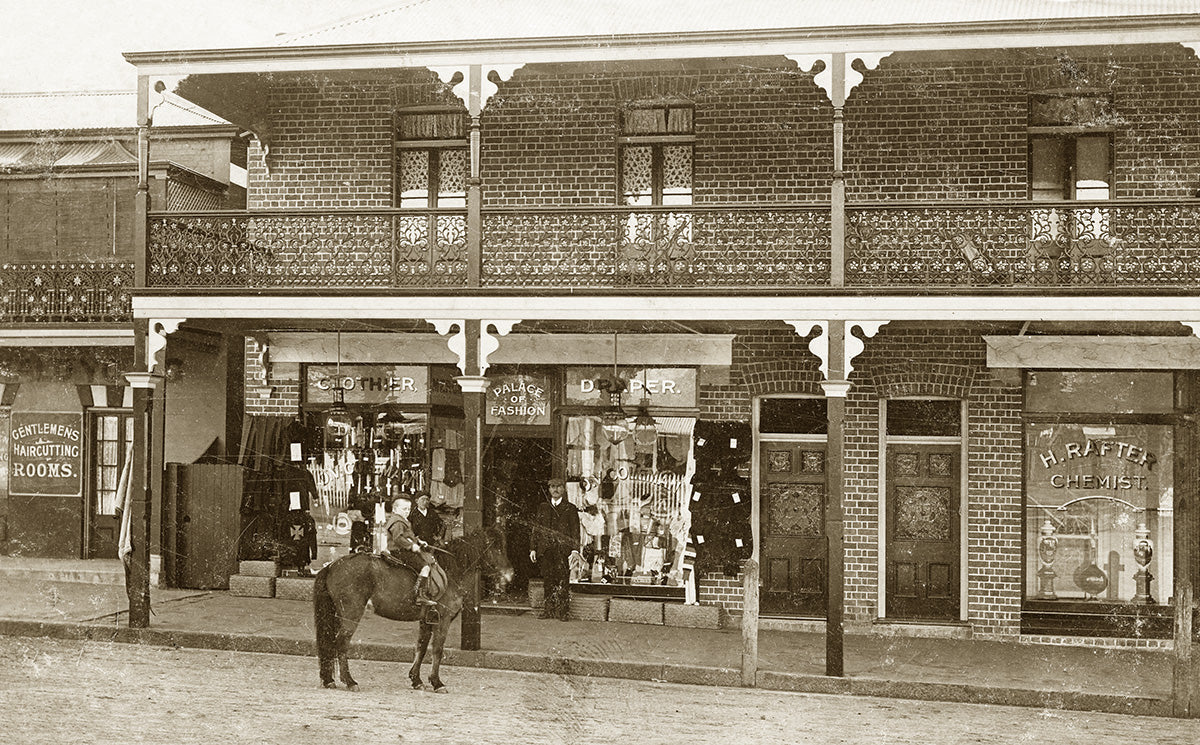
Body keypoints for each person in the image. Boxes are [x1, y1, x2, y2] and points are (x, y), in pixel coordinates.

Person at [530, 477, 580, 620]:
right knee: (548, 581)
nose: (555, 489)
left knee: (563, 580)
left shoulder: (570, 508)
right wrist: (533, 548)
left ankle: (563, 612)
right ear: (549, 489)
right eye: (552, 486)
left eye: (558, 486)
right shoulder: (543, 507)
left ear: (563, 489)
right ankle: (548, 610)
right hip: (546, 550)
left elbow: (575, 530)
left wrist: (575, 550)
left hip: (563, 551)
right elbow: (536, 529)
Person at [383, 496, 438, 610]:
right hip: (400, 551)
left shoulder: (402, 520)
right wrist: (411, 546)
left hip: (402, 550)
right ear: (395, 509)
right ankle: (419, 595)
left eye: (408, 509)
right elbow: (398, 538)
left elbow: (408, 536)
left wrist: (418, 541)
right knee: (425, 567)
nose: (407, 512)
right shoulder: (397, 521)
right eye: (404, 509)